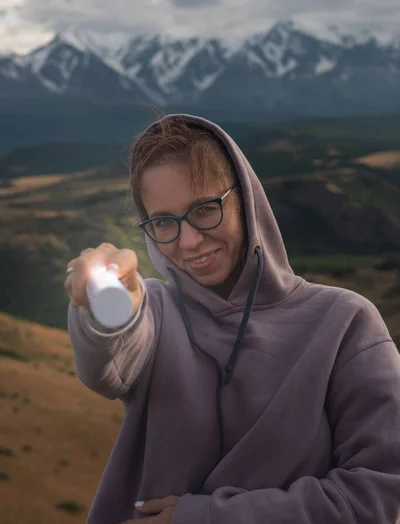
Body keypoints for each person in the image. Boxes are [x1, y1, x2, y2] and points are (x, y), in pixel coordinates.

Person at [65, 114, 400, 524]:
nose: (189, 242)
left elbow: (376, 499)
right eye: (164, 223)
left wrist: (203, 517)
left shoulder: (347, 324)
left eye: (205, 210)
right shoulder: (151, 311)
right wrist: (107, 309)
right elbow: (108, 364)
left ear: (246, 198)